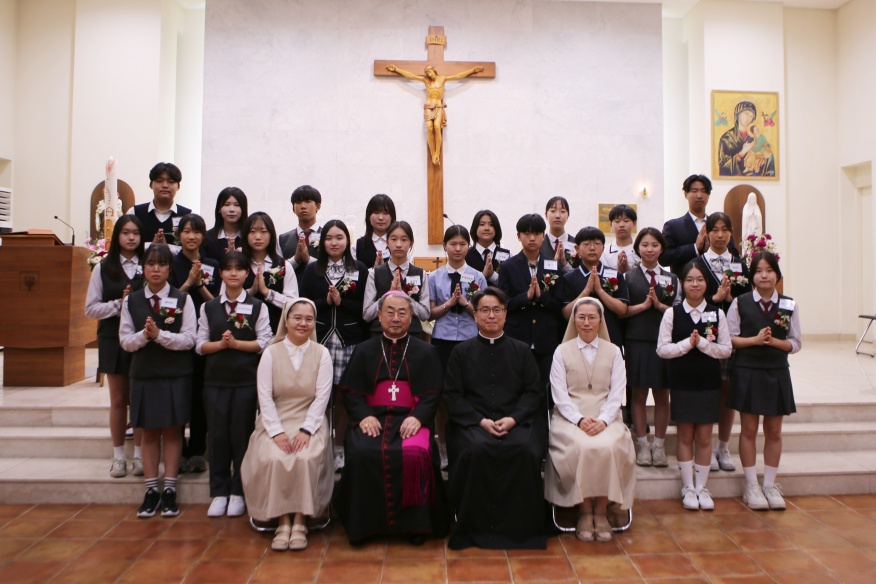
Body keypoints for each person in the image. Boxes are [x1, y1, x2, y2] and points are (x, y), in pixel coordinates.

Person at [334, 291, 448, 544]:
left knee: (416, 454)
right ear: (379, 315)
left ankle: (416, 526)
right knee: (363, 452)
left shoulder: (426, 351)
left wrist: (418, 418)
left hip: (410, 418)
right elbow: (351, 392)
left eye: (402, 313)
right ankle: (364, 525)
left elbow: (433, 394)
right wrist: (363, 416)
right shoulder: (364, 350)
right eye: (390, 312)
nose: (396, 318)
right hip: (373, 418)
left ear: (411, 317)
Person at [444, 287, 546, 550]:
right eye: (485, 310)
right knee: (475, 450)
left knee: (524, 450)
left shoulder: (521, 351)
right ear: (475, 315)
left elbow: (533, 392)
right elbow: (453, 396)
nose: (491, 316)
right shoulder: (461, 352)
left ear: (505, 314)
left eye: (497, 310)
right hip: (473, 423)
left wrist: (513, 419)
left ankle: (522, 529)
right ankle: (473, 528)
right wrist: (480, 421)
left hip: (516, 421)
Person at [241, 299, 334, 551]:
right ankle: (283, 521)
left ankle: (301, 520)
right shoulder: (270, 353)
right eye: (297, 318)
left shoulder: (322, 354)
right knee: (274, 456)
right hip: (276, 420)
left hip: (310, 419)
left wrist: (307, 430)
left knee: (306, 456)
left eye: (309, 319)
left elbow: (322, 398)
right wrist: (276, 432)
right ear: (286, 320)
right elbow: (264, 397)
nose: (303, 323)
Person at [546, 297, 636, 542]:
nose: (586, 322)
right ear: (574, 320)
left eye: (592, 317)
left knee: (609, 445)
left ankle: (601, 511)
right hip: (569, 417)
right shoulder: (561, 351)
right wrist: (579, 419)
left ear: (600, 320)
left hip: (607, 415)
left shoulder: (614, 352)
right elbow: (559, 394)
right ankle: (585, 511)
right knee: (582, 446)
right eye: (581, 317)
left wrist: (604, 420)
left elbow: (617, 393)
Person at [119, 244, 197, 518]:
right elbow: (125, 341)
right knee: (149, 432)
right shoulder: (131, 301)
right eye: (150, 263)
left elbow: (190, 339)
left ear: (169, 269)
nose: (155, 269)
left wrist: (159, 336)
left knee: (174, 431)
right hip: (144, 374)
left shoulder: (183, 299)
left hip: (175, 374)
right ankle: (151, 490)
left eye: (161, 264)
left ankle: (170, 489)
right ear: (143, 268)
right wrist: (144, 336)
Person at [196, 251, 272, 518]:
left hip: (245, 381)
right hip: (215, 381)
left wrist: (237, 344)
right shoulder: (208, 307)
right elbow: (199, 345)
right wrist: (220, 345)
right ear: (220, 274)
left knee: (241, 435)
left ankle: (239, 491)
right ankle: (219, 491)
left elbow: (264, 342)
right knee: (217, 435)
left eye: (238, 269)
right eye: (227, 269)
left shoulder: (257, 306)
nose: (233, 273)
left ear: (247, 274)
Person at [727, 252, 801, 510]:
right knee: (748, 429)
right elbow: (730, 339)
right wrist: (755, 340)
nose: (764, 275)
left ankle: (769, 484)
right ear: (752, 277)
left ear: (777, 275)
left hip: (777, 371)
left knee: (773, 430)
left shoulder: (789, 305)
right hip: (747, 370)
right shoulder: (740, 303)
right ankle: (751, 485)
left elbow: (796, 342)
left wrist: (775, 342)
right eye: (758, 271)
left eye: (769, 270)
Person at [656, 261, 731, 511]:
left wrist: (703, 345)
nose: (695, 284)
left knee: (704, 436)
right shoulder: (672, 313)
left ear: (706, 284)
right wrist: (687, 344)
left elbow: (726, 349)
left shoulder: (717, 313)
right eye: (689, 280)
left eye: (699, 280)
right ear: (682, 284)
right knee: (685, 434)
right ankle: (688, 487)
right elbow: (662, 349)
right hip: (682, 381)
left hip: (708, 382)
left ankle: (702, 487)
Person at [299, 220, 369, 471]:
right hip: (320, 341)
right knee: (319, 395)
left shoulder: (360, 269)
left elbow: (365, 309)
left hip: (348, 340)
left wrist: (341, 302)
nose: (334, 242)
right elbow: (304, 305)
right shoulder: (312, 270)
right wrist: (326, 302)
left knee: (343, 395)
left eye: (339, 237)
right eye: (329, 238)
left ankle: (339, 448)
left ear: (347, 241)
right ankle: (320, 446)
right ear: (322, 242)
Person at [84, 215, 145, 478]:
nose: (131, 238)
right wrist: (120, 305)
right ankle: (119, 456)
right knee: (119, 400)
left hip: (143, 340)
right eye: (125, 232)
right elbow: (90, 308)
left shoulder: (149, 265)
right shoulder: (103, 268)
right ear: (117, 236)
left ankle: (140, 455)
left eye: (136, 233)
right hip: (112, 339)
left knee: (139, 399)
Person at [691, 212, 750, 473]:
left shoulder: (740, 264)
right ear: (706, 232)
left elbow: (748, 301)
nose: (720, 235)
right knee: (705, 390)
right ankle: (703, 446)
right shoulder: (697, 264)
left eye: (725, 229)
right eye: (715, 229)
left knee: (727, 391)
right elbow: (689, 301)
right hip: (703, 336)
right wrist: (714, 299)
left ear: (731, 232)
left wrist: (731, 300)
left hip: (731, 337)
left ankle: (723, 447)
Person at [428, 225, 488, 468]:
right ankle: (443, 448)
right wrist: (449, 303)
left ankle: (468, 444)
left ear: (468, 247)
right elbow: (430, 313)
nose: (457, 248)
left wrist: (464, 303)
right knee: (443, 395)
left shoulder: (478, 277)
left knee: (470, 393)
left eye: (462, 244)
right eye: (453, 244)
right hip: (442, 340)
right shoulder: (434, 277)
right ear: (445, 246)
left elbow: (483, 314)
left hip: (470, 340)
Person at [621, 228, 679, 467]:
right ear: (638, 248)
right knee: (638, 394)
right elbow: (621, 311)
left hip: (664, 341)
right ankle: (643, 444)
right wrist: (644, 306)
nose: (650, 249)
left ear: (662, 248)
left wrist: (660, 306)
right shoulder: (627, 277)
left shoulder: (671, 278)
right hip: (637, 340)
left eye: (655, 245)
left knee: (662, 394)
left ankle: (659, 445)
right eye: (645, 245)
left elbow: (679, 311)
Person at [169, 214, 220, 475]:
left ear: (203, 236)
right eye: (186, 231)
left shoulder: (212, 264)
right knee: (179, 395)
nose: (191, 236)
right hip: (176, 336)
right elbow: (167, 300)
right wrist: (189, 282)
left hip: (206, 337)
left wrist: (199, 285)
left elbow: (218, 303)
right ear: (179, 235)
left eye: (197, 232)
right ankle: (178, 451)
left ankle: (198, 449)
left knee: (201, 395)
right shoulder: (171, 263)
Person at [497, 214, 564, 397]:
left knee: (545, 390)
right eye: (527, 233)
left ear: (543, 236)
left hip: (546, 338)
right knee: (516, 387)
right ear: (519, 236)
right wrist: (525, 297)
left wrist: (541, 297)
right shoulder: (508, 266)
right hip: (517, 336)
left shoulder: (553, 266)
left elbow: (559, 305)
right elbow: (503, 304)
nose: (532, 238)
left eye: (537, 233)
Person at [385, 63, 485, 166]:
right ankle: (433, 153)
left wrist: (473, 70)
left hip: (438, 107)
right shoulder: (425, 80)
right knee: (429, 128)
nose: (429, 74)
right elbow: (411, 75)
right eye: (427, 73)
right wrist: (396, 69)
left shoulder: (442, 79)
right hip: (428, 107)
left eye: (430, 72)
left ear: (434, 71)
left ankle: (437, 152)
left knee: (437, 127)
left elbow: (458, 76)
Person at [556, 227, 629, 347]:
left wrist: (600, 290)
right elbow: (566, 314)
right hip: (577, 341)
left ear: (603, 248)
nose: (592, 248)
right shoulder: (569, 278)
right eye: (586, 244)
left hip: (610, 339)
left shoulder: (615, 275)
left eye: (597, 244)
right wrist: (586, 290)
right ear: (577, 249)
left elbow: (622, 310)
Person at [362, 221, 431, 338]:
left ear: (411, 243)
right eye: (394, 239)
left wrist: (404, 295)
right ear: (387, 242)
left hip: (412, 336)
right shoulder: (374, 273)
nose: (398, 244)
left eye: (404, 240)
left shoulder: (420, 273)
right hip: (380, 335)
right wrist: (388, 295)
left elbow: (425, 314)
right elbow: (367, 315)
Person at [660, 174, 738, 276]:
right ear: (686, 194)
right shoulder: (673, 226)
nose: (699, 195)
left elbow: (734, 255)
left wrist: (713, 249)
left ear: (708, 195)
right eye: (694, 191)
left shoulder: (720, 226)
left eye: (704, 191)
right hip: (686, 282)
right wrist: (695, 248)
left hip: (718, 281)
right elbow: (664, 258)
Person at [239, 212, 300, 333]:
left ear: (271, 235)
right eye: (252, 231)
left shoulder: (284, 266)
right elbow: (226, 300)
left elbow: (293, 305)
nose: (258, 237)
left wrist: (267, 293)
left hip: (276, 334)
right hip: (242, 335)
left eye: (263, 231)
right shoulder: (238, 264)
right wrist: (251, 292)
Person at [127, 162, 191, 249]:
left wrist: (166, 248)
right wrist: (151, 246)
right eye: (159, 181)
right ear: (151, 185)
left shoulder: (188, 216)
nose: (165, 185)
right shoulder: (134, 213)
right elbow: (125, 245)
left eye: (171, 182)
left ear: (178, 186)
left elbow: (192, 249)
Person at [718, 101, 775, 177]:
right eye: (746, 114)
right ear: (738, 114)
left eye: (751, 116)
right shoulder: (727, 138)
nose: (749, 118)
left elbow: (768, 154)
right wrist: (742, 153)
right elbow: (723, 168)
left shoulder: (754, 137)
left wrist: (764, 158)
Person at [279, 186, 322, 283]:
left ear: (318, 206)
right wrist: (295, 260)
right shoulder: (283, 239)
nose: (303, 206)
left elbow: (332, 267)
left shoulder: (327, 237)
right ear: (293, 209)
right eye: (298, 202)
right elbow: (276, 271)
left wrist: (308, 260)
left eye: (308, 201)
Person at [465, 209, 510, 286]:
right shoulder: (465, 255)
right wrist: (483, 276)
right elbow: (464, 286)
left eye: (491, 225)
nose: (487, 228)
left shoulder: (506, 254)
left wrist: (492, 275)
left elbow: (510, 285)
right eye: (482, 224)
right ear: (475, 228)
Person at [203, 187, 248, 263]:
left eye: (237, 205)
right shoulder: (207, 238)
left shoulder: (249, 238)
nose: (232, 209)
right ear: (219, 209)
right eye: (226, 204)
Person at [354, 194, 396, 268]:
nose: (380, 218)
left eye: (385, 213)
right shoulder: (357, 245)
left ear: (392, 217)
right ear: (368, 216)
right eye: (376, 213)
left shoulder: (398, 244)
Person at [600, 204, 640, 273]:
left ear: (634, 224)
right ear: (611, 224)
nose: (621, 225)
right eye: (617, 221)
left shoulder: (641, 250)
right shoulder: (604, 253)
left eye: (626, 221)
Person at [541, 196, 576, 274]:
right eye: (553, 211)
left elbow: (580, 274)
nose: (557, 216)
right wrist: (554, 263)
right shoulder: (539, 243)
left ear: (568, 216)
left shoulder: (576, 244)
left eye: (562, 211)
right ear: (546, 215)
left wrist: (565, 264)